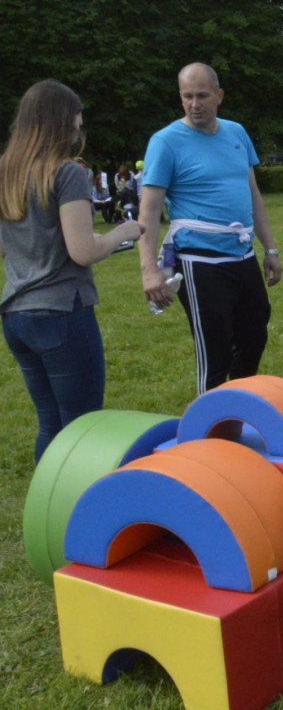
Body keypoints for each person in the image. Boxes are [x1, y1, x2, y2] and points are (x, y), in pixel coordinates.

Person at [0, 80, 144, 462]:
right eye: (77, 120)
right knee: (83, 427)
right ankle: (76, 511)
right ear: (62, 121)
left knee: (51, 424)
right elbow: (82, 251)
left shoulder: (7, 172)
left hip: (16, 313)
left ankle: (48, 510)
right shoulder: (67, 173)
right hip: (61, 312)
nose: (80, 129)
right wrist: (120, 234)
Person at [138, 62, 282, 395]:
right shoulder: (165, 142)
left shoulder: (236, 133)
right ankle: (211, 434)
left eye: (202, 96)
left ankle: (239, 410)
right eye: (187, 96)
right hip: (199, 259)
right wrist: (149, 271)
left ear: (219, 96)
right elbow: (149, 210)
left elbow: (252, 195)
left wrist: (270, 248)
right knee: (214, 351)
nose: (195, 104)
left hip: (242, 254)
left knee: (254, 334)